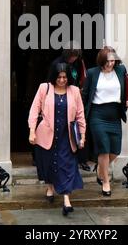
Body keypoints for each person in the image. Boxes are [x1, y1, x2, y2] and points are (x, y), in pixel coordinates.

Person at [28, 63, 86, 216]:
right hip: (47, 134)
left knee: (66, 165)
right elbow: (34, 110)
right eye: (59, 77)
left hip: (67, 137)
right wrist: (32, 131)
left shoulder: (74, 91)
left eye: (65, 77)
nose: (62, 80)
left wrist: (83, 135)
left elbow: (80, 115)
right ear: (54, 77)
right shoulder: (44, 88)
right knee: (49, 163)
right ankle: (50, 187)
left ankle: (66, 200)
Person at [82, 46, 128, 196]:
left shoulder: (120, 71)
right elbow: (85, 95)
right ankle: (105, 181)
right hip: (97, 115)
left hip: (115, 114)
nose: (110, 64)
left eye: (112, 60)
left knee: (115, 151)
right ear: (101, 60)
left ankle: (100, 169)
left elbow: (126, 91)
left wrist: (126, 102)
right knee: (103, 149)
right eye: (107, 61)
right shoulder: (92, 73)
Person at [48, 45, 91, 172]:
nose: (74, 59)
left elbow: (80, 77)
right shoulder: (56, 64)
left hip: (75, 96)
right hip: (60, 99)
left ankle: (82, 159)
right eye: (72, 56)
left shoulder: (78, 63)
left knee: (79, 128)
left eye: (76, 56)